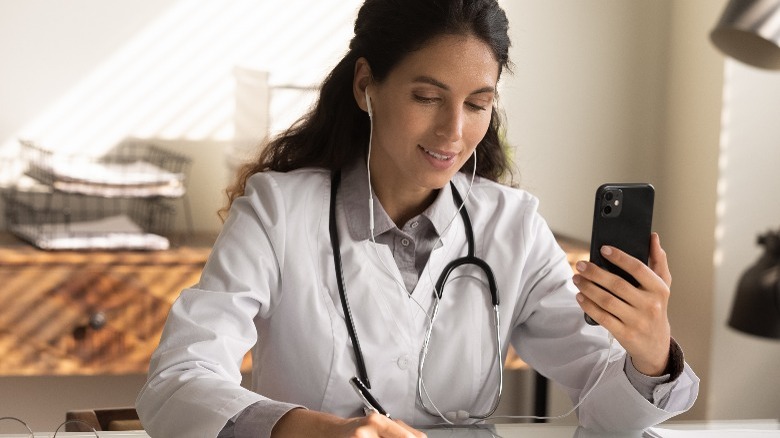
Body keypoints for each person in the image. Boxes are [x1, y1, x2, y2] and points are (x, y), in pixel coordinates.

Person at [136, 0, 699, 437]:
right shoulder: (278, 211)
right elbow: (179, 383)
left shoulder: (513, 226)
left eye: (477, 105)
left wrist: (651, 356)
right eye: (428, 97)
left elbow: (609, 414)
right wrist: (314, 431)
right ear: (366, 86)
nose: (453, 133)